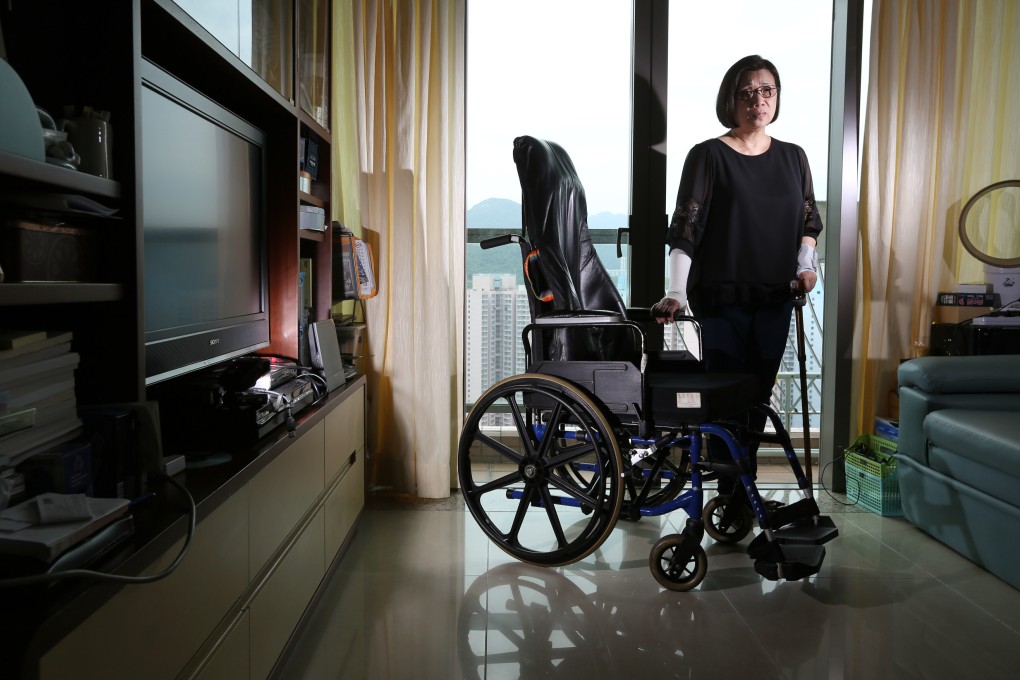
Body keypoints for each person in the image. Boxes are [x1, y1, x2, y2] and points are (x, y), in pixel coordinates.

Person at [650, 54, 823, 499]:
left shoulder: (794, 157)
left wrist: (806, 267)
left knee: (758, 395)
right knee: (726, 397)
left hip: (775, 297)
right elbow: (686, 227)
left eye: (766, 90)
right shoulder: (708, 155)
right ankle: (730, 491)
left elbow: (808, 222)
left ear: (776, 97)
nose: (757, 100)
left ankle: (743, 486)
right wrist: (676, 292)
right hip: (721, 298)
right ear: (730, 100)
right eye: (746, 92)